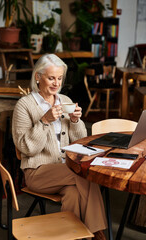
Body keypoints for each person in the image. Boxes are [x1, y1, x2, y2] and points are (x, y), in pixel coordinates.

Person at [12, 54, 107, 239]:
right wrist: (44, 121)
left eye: (60, 78)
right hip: (37, 172)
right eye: (51, 78)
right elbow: (27, 148)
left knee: (73, 194)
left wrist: (75, 120)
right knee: (83, 173)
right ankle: (98, 233)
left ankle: (75, 236)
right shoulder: (24, 106)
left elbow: (81, 141)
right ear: (38, 77)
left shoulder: (64, 100)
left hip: (64, 169)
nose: (56, 83)